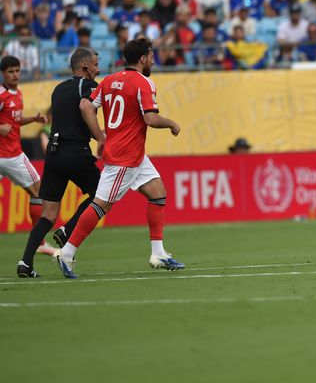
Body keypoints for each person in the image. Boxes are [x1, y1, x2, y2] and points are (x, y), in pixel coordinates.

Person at [54, 38, 184, 279]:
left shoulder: (110, 80)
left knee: (158, 191)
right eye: (152, 55)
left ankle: (158, 253)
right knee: (102, 205)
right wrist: (172, 124)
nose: (154, 59)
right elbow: (150, 119)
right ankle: (67, 252)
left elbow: (86, 106)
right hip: (125, 156)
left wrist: (101, 136)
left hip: (132, 153)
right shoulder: (144, 82)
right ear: (143, 58)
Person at [17, 48, 103, 278]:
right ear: (84, 67)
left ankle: (25, 262)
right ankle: (67, 230)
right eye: (95, 65)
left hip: (53, 155)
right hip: (75, 151)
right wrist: (101, 137)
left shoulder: (58, 89)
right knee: (102, 193)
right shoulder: (88, 86)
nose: (98, 69)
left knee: (48, 213)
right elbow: (88, 112)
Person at [0, 56, 53, 264]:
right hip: (11, 157)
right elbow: (4, 125)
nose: (15, 75)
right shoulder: (2, 94)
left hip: (9, 156)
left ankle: (39, 243)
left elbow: (14, 120)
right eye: (10, 71)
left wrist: (32, 119)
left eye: (17, 71)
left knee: (37, 192)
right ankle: (39, 243)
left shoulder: (18, 94)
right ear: (3, 74)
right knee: (39, 191)